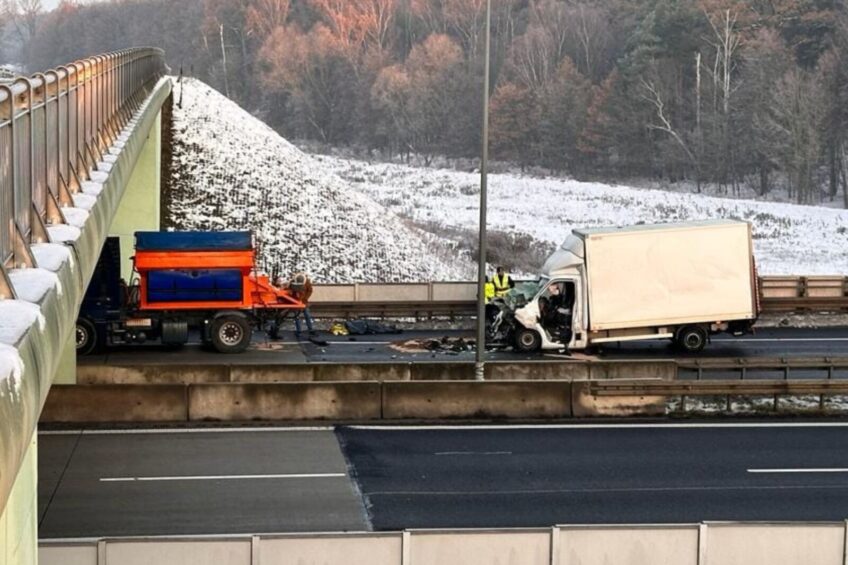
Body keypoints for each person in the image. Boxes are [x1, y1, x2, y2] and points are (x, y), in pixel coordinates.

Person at [289, 272, 317, 339]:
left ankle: (310, 330)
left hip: (304, 302)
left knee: (307, 316)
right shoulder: (292, 282)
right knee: (297, 317)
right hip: (296, 302)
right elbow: (290, 290)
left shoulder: (307, 282)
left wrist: (305, 298)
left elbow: (310, 290)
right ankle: (299, 331)